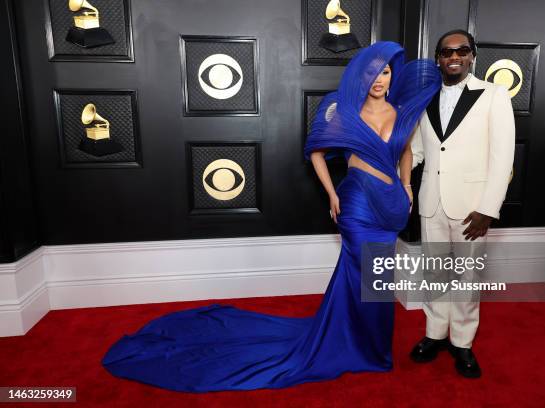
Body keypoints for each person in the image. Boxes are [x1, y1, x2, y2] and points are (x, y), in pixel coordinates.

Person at [101, 41, 441, 392]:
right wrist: (332, 193)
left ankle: (367, 344)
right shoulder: (346, 111)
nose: (379, 79)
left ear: (392, 74)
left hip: (391, 205)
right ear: (361, 76)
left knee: (378, 279)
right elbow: (317, 152)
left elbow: (404, 152)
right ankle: (360, 348)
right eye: (373, 72)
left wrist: (406, 185)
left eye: (385, 72)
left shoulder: (402, 113)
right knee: (364, 273)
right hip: (356, 204)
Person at [407, 29, 515, 378]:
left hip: (473, 207)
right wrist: (391, 180)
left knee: (467, 279)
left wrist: (489, 208)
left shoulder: (494, 95)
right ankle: (435, 334)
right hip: (431, 203)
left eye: (461, 51)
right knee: (435, 274)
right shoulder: (425, 99)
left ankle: (463, 343)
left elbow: (502, 157)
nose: (454, 57)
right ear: (438, 58)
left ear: (472, 55)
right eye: (446, 52)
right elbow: (419, 152)